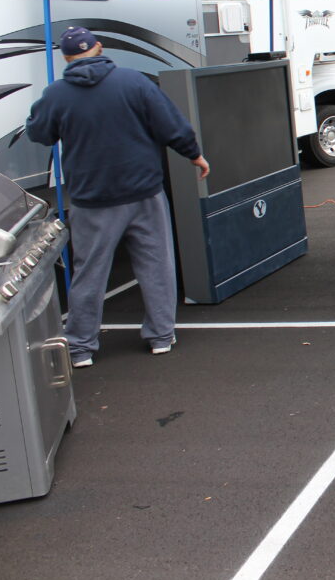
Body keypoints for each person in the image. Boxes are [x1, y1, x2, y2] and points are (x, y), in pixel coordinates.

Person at [25, 27, 209, 368]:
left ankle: (80, 348)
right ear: (100, 48)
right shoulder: (134, 82)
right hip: (143, 192)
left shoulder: (56, 94)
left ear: (66, 58)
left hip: (91, 198)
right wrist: (193, 154)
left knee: (90, 272)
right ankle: (160, 336)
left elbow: (39, 133)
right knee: (155, 265)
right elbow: (171, 124)